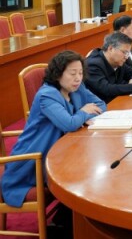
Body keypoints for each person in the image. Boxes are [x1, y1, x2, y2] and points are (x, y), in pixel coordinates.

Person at [1, 51, 105, 208]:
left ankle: (73, 215)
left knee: (91, 166)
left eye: (80, 73)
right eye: (72, 73)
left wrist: (81, 116)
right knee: (85, 175)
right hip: (35, 159)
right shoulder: (47, 96)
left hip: (63, 151)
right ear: (58, 74)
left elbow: (101, 105)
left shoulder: (77, 87)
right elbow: (69, 124)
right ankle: (71, 217)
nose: (78, 78)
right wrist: (83, 113)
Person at [85, 32, 132, 103]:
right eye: (124, 52)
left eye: (128, 53)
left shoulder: (117, 61)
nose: (126, 57)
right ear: (110, 49)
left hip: (118, 101)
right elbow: (107, 89)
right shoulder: (93, 65)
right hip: (101, 106)